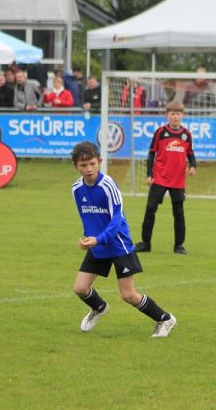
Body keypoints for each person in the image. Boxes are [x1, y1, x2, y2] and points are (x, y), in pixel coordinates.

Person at [71, 141, 177, 336]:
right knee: (80, 288)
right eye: (83, 165)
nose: (89, 169)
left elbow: (116, 220)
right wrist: (89, 240)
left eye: (92, 164)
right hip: (98, 244)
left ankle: (165, 318)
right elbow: (87, 217)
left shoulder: (108, 185)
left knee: (128, 295)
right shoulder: (77, 189)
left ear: (100, 161)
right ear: (75, 166)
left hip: (119, 245)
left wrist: (98, 239)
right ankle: (99, 307)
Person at [135, 101, 196, 254]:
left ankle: (179, 245)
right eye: (172, 113)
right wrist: (149, 174)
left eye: (178, 113)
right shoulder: (160, 132)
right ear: (167, 115)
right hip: (160, 178)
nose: (175, 117)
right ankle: (145, 243)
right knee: (150, 209)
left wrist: (193, 166)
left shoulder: (186, 134)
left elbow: (190, 153)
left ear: (182, 115)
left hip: (177, 181)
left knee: (178, 213)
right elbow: (151, 153)